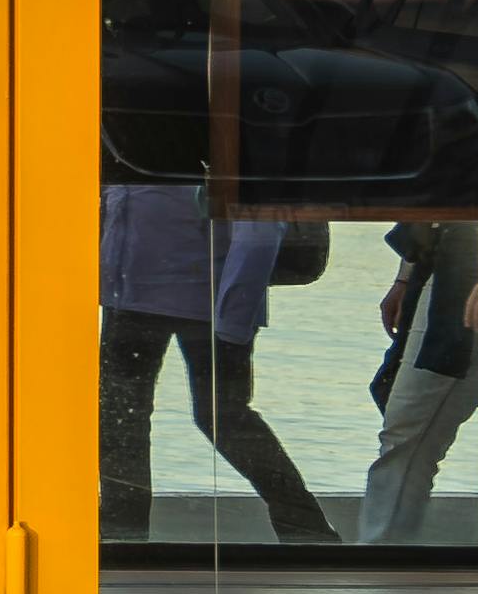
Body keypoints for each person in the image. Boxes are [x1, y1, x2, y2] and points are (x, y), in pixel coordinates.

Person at [100, 178, 338, 544]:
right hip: (130, 295)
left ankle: (309, 535)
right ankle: (122, 534)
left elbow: (259, 229)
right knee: (122, 416)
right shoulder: (130, 149)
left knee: (221, 417)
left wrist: (235, 318)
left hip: (210, 297)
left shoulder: (221, 145)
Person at [353, 218, 478, 550]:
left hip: (470, 269)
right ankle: (387, 549)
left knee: (411, 432)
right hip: (451, 261)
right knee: (411, 431)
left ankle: (382, 551)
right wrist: (406, 274)